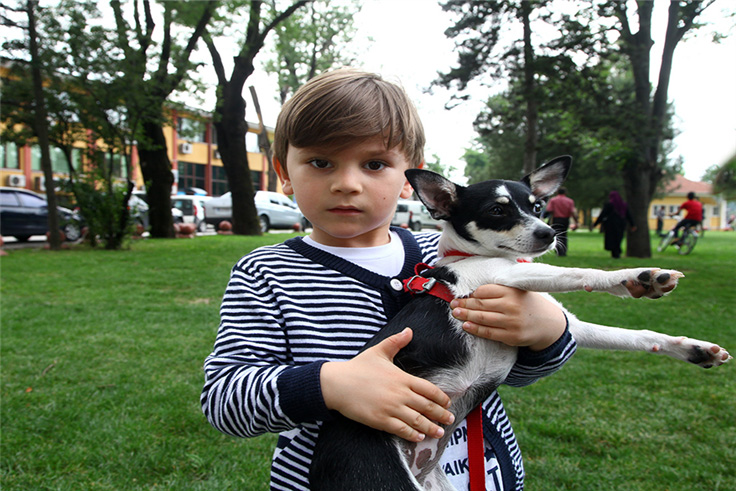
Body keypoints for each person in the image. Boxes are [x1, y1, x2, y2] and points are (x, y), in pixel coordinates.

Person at [200, 68, 576, 491]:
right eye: (320, 162)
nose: (347, 184)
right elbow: (225, 399)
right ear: (283, 172)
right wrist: (331, 385)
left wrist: (549, 332)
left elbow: (513, 371)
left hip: (477, 475)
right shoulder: (267, 273)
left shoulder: (456, 256)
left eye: (375, 164)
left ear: (409, 180)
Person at [591, 191, 636, 259]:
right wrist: (633, 225)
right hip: (621, 224)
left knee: (612, 239)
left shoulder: (609, 205)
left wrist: (595, 224)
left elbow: (602, 215)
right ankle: (617, 252)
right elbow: (628, 215)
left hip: (611, 225)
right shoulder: (624, 205)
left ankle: (615, 253)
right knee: (618, 238)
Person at [545, 187, 578, 256]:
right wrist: (576, 221)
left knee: (557, 234)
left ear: (557, 192)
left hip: (556, 219)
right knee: (564, 235)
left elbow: (549, 209)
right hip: (565, 219)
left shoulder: (553, 200)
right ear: (565, 193)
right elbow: (572, 212)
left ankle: (558, 250)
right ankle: (563, 251)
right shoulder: (569, 201)